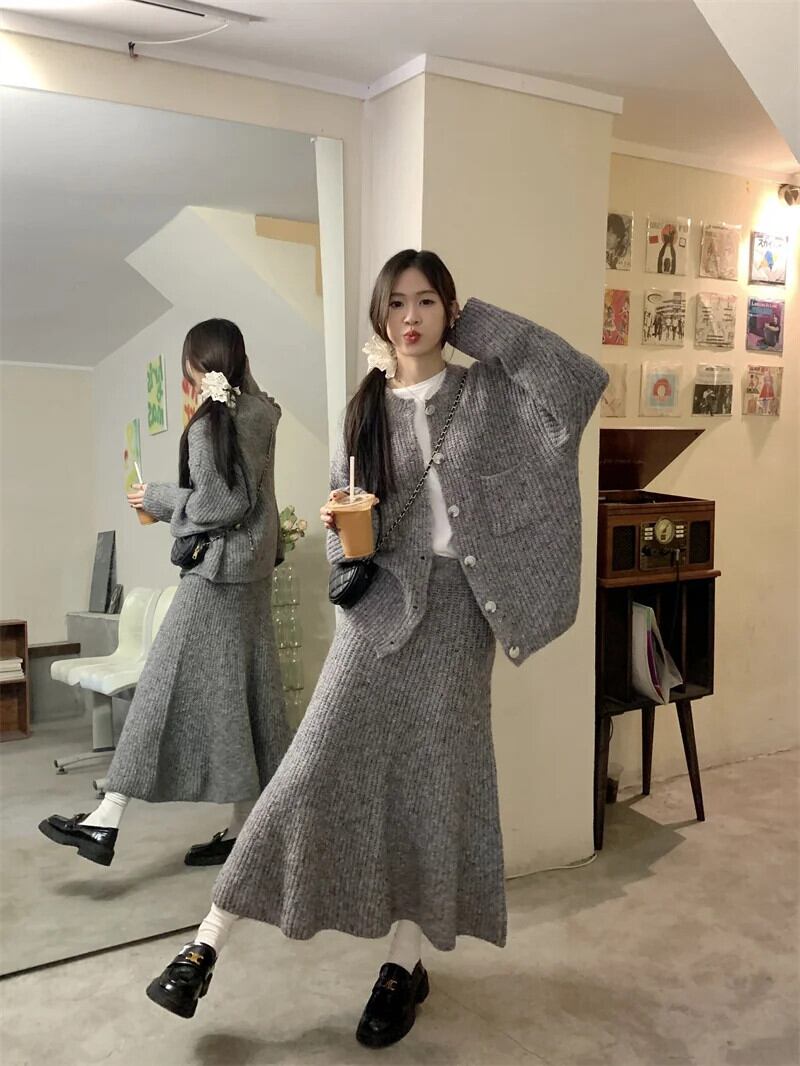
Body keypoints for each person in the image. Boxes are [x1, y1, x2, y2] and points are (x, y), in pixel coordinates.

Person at [145, 251, 609, 1048]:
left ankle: (403, 963)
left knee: (436, 790)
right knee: (307, 770)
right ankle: (204, 944)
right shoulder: (363, 409)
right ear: (379, 316)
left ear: (449, 309)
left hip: (459, 619)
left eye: (427, 301)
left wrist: (480, 326)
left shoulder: (488, 394)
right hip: (378, 612)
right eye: (396, 302)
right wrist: (344, 535)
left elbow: (575, 382)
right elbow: (343, 541)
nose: (411, 316)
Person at [38, 319, 290, 868]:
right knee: (255, 696)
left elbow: (221, 504)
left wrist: (157, 497)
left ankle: (106, 819)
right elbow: (245, 497)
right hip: (251, 575)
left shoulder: (212, 425)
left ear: (196, 366)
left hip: (215, 576)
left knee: (157, 689)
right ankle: (251, 829)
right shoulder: (260, 413)